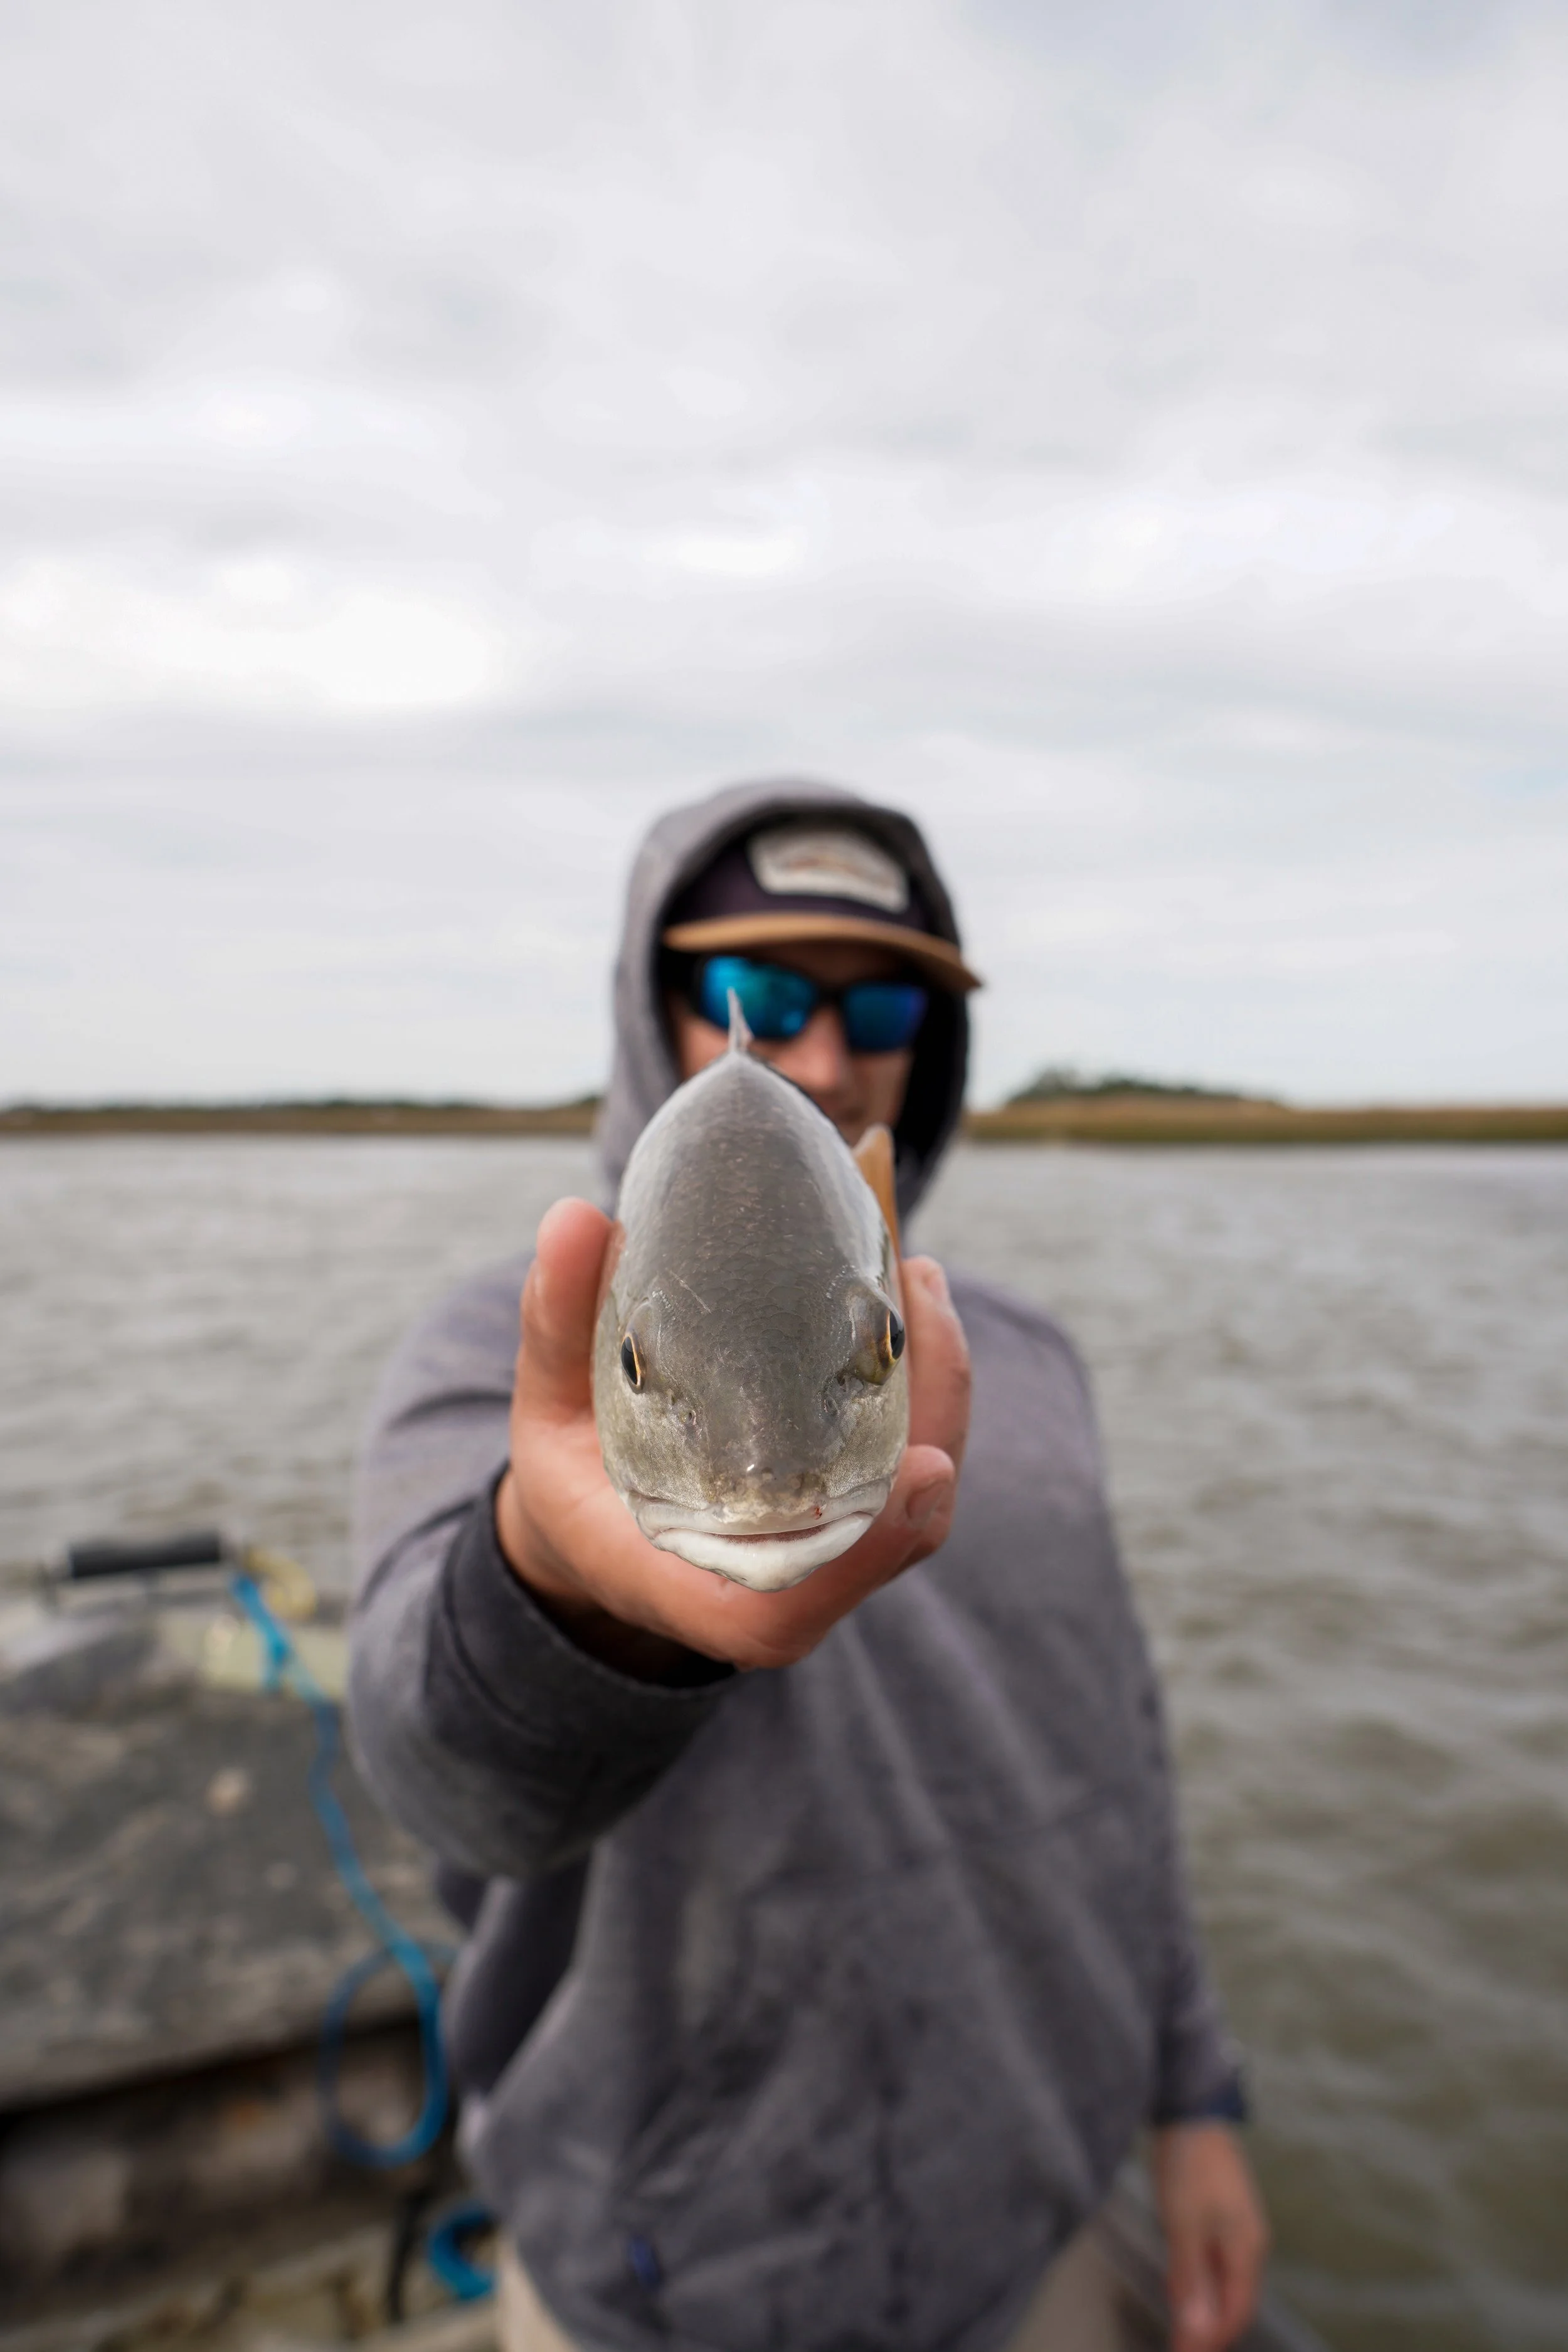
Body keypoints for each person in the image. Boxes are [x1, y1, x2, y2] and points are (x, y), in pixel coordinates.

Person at [348, 780, 1269, 2352]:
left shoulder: (1030, 1358)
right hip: (663, 2290)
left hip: (1033, 2230)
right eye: (760, 996)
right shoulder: (493, 1356)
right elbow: (437, 1775)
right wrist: (560, 1589)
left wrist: (1193, 2094)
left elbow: (1122, 1749)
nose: (824, 1057)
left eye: (883, 1005)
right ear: (648, 1008)